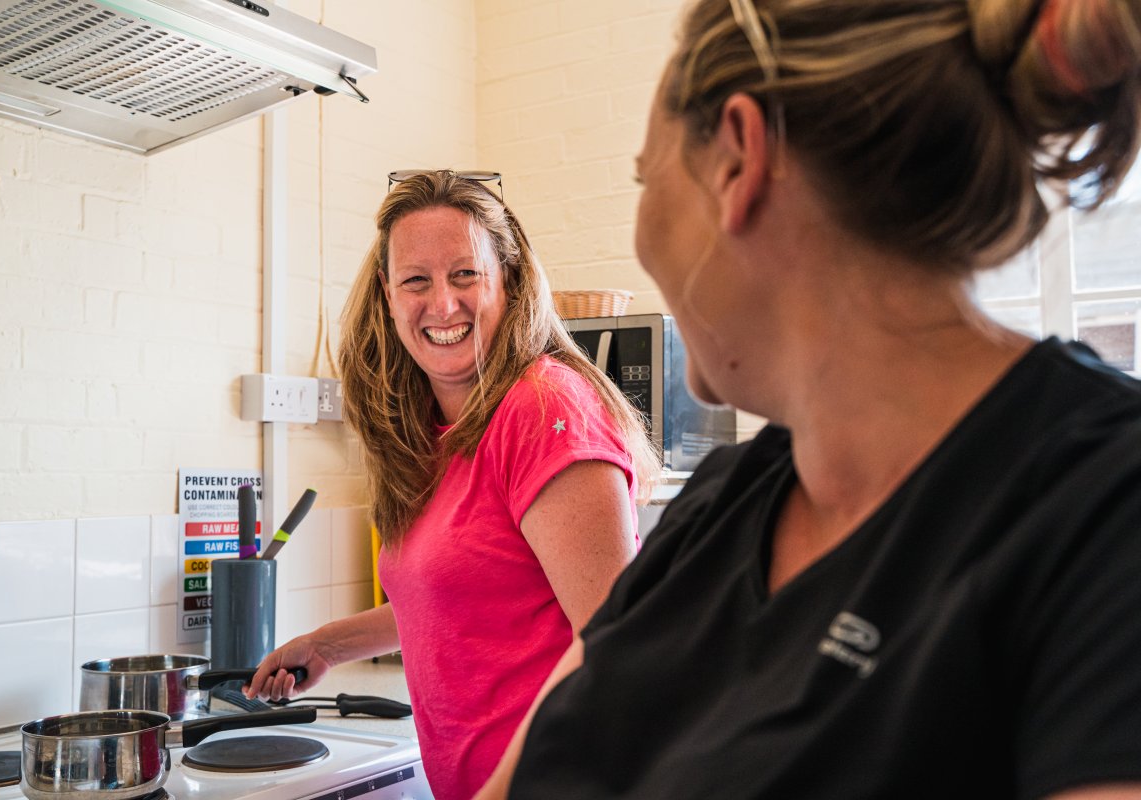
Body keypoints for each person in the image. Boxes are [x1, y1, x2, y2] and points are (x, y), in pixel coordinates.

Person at [475, 0, 1141, 797]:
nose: (644, 229)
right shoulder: (718, 511)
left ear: (737, 163)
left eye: (647, 177)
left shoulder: (1106, 508)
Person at [244, 169, 659, 799]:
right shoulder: (434, 430)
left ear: (509, 281)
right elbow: (469, 596)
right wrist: (329, 645)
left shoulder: (541, 409)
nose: (442, 304)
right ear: (387, 295)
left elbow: (619, 649)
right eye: (416, 280)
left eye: (465, 274)